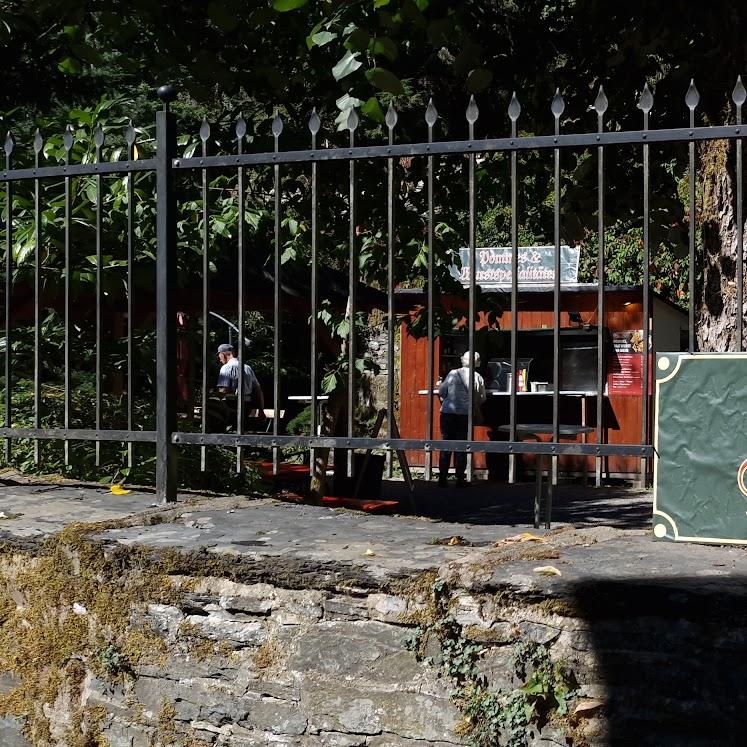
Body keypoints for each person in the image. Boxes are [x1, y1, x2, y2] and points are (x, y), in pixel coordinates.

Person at [437, 350, 486, 487]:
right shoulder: (477, 377)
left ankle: (442, 477)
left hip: (448, 413)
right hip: (465, 415)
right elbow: (481, 398)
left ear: (462, 360)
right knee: (462, 445)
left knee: (446, 444)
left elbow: (442, 392)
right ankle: (459, 478)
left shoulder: (453, 374)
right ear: (477, 363)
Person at [208, 343, 265, 431]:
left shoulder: (226, 368)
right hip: (247, 406)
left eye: (219, 356)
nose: (219, 360)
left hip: (231, 405)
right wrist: (261, 410)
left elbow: (223, 390)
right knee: (239, 430)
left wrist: (211, 396)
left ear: (223, 354)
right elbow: (258, 390)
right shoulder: (247, 368)